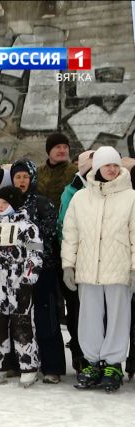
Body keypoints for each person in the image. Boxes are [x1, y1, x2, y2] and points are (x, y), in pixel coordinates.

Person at [62, 146, 135, 393]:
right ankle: (92, 362)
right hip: (87, 267)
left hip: (119, 268)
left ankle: (113, 364)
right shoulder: (81, 198)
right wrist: (68, 264)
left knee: (118, 316)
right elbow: (71, 234)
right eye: (107, 165)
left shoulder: (131, 197)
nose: (112, 169)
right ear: (97, 168)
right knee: (89, 316)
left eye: (115, 165)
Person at [0, 186, 43, 387]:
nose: (1, 206)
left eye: (5, 202)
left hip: (19, 281)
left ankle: (28, 366)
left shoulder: (28, 226)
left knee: (23, 324)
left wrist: (28, 281)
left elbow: (35, 255)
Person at [9, 159, 65, 383]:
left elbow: (50, 233)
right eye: (17, 177)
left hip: (43, 269)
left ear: (32, 179)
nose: (21, 181)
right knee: (18, 317)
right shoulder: (7, 205)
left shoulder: (43, 203)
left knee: (46, 317)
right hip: (14, 270)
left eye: (25, 177)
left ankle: (52, 366)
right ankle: (16, 362)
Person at [57, 150, 95, 371]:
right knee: (76, 309)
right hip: (78, 260)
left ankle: (99, 357)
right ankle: (80, 352)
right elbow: (66, 228)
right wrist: (69, 261)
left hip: (101, 262)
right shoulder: (72, 192)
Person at [38, 133, 77, 210]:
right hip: (40, 219)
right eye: (58, 147)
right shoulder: (38, 172)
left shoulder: (75, 172)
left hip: (65, 219)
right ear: (49, 150)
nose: (62, 151)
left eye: (65, 147)